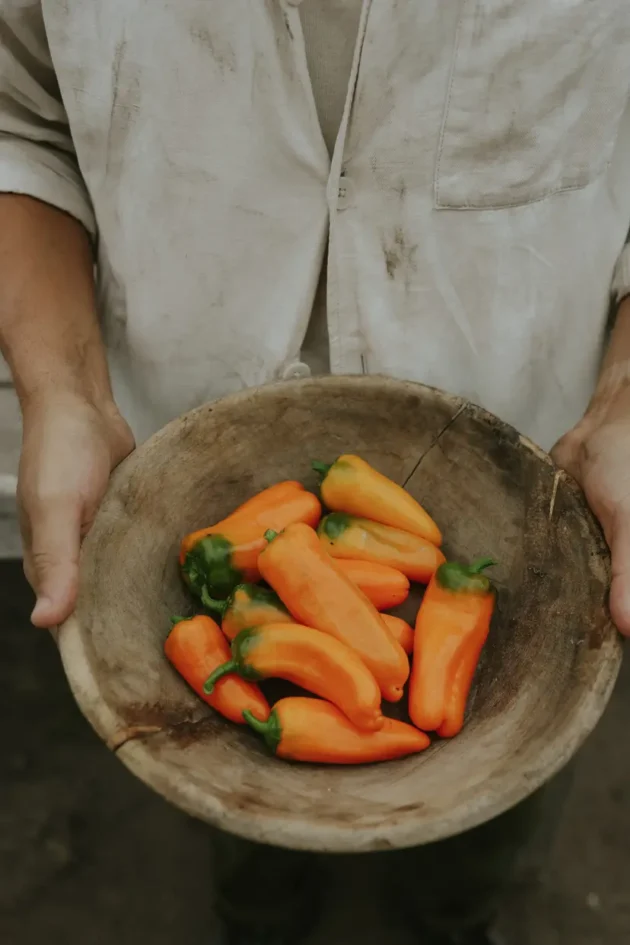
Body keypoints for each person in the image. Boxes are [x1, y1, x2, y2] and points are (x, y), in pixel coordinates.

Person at [1, 2, 629, 943]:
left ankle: (450, 920)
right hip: (171, 456)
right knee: (240, 818)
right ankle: (260, 915)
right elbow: (19, 124)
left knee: (485, 834)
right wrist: (65, 391)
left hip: (542, 484)